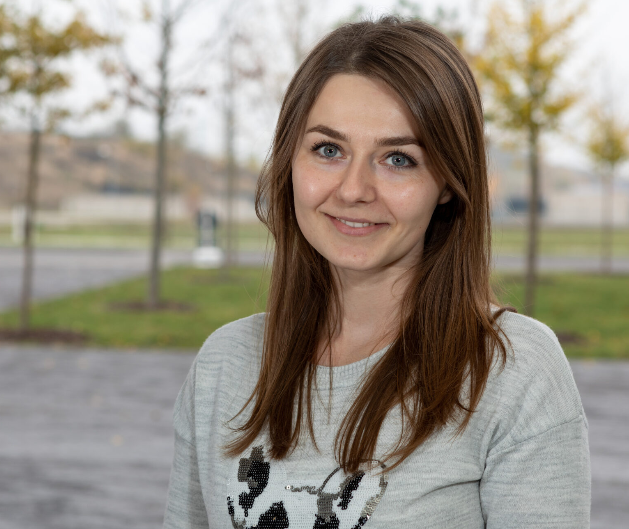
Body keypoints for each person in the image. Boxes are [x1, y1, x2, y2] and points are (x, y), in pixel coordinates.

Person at [163, 16, 590, 529]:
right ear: (289, 162)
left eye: (398, 159)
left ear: (448, 182)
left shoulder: (512, 371)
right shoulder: (223, 366)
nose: (353, 190)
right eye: (328, 150)